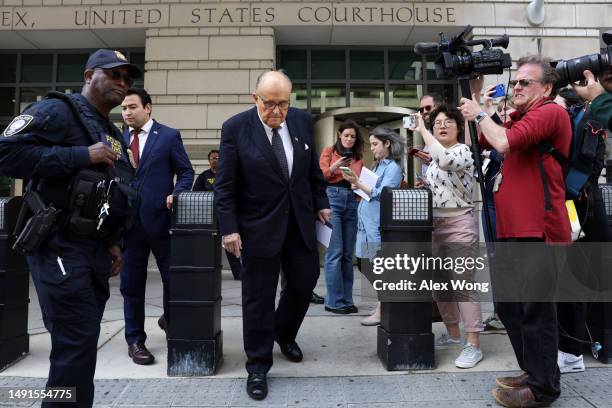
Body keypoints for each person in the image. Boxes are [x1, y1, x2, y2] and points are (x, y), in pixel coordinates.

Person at [0, 49, 141, 407]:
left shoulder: (112, 134)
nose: (122, 84)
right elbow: (6, 154)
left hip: (92, 250)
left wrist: (113, 242)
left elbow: (111, 192)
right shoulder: (58, 111)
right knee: (75, 345)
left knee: (79, 346)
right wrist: (81, 155)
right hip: (58, 245)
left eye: (127, 79)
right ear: (89, 74)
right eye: (114, 75)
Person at [459, 55, 572, 407]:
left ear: (548, 88)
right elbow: (479, 143)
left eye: (526, 82)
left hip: (540, 230)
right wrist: (476, 100)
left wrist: (479, 113)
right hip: (509, 230)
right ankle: (534, 372)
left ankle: (543, 388)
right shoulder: (519, 119)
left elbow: (504, 143)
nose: (517, 87)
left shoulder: (551, 112)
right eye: (517, 81)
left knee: (537, 311)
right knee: (509, 308)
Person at [214, 70, 330, 401]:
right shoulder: (236, 128)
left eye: (283, 104)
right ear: (256, 99)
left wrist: (320, 203)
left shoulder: (301, 121)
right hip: (257, 227)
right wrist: (229, 228)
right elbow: (225, 186)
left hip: (299, 223)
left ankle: (283, 331)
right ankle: (258, 365)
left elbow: (311, 173)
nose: (277, 112)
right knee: (258, 298)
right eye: (270, 104)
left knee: (305, 281)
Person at [119, 88, 194, 365]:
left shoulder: (169, 136)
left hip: (161, 221)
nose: (127, 112)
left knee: (172, 280)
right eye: (124, 108)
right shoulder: (118, 138)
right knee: (131, 285)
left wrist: (178, 192)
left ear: (148, 108)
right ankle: (135, 340)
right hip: (128, 225)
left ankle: (170, 321)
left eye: (132, 107)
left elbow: (186, 170)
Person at [412, 105, 485, 369]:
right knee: (441, 283)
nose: (441, 126)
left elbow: (445, 161)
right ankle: (454, 335)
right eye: (437, 123)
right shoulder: (433, 155)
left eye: (447, 122)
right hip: (435, 225)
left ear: (458, 127)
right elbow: (442, 174)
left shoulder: (463, 150)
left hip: (460, 223)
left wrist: (422, 130)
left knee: (463, 283)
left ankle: (473, 343)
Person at [341, 127, 404, 326]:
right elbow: (371, 190)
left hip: (376, 226)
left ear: (387, 144)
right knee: (365, 264)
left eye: (376, 144)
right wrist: (357, 184)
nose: (373, 148)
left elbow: (383, 194)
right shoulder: (377, 166)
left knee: (377, 267)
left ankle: (382, 308)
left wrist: (357, 183)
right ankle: (383, 304)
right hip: (366, 225)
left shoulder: (392, 167)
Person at [319, 119, 364, 314]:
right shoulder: (329, 152)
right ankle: (334, 301)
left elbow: (358, 182)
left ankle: (346, 299)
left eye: (353, 136)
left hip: (351, 200)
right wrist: (336, 165)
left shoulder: (358, 157)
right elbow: (320, 176)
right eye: (346, 135)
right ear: (339, 135)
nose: (349, 139)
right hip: (332, 198)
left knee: (347, 255)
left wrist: (356, 184)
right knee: (335, 252)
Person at [192, 150, 242, 280]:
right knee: (207, 246)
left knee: (230, 245)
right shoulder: (203, 176)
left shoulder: (227, 175)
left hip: (225, 216)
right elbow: (195, 194)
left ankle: (238, 272)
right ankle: (205, 272)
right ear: (209, 161)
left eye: (219, 158)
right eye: (213, 158)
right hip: (208, 217)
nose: (216, 160)